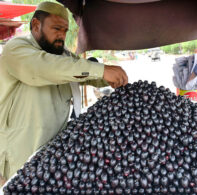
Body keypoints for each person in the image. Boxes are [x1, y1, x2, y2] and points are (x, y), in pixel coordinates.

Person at [0, 1, 128, 183]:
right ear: (36, 25)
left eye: (65, 30)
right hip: (20, 157)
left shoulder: (62, 55)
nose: (62, 35)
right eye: (56, 29)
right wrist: (100, 70)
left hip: (51, 156)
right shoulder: (16, 49)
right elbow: (46, 67)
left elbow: (79, 71)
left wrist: (106, 77)